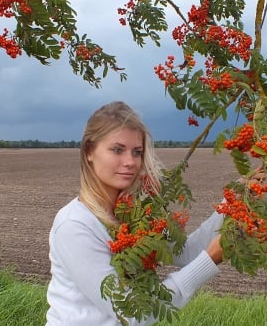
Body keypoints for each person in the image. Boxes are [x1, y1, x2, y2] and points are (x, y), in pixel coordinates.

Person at [46, 101, 224, 325]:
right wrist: (210, 259)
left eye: (137, 152)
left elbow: (185, 253)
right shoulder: (74, 225)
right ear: (89, 151)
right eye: (117, 150)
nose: (130, 162)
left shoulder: (137, 215)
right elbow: (131, 314)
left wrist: (234, 203)